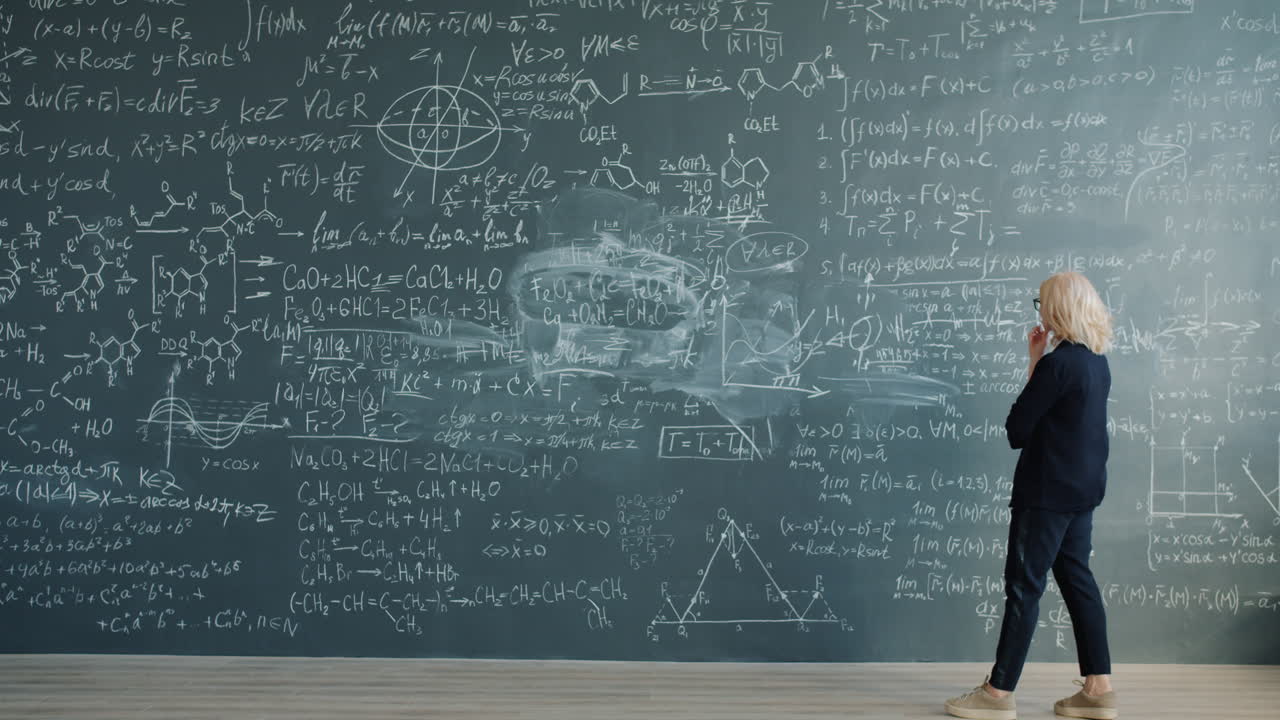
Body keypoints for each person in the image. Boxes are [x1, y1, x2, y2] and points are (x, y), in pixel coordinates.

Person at [945, 271, 1118, 720]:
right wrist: (1039, 361)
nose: (1039, 311)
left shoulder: (1057, 366)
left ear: (1056, 308)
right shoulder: (1096, 361)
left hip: (1045, 494)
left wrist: (1036, 363)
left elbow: (1017, 430)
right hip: (1082, 492)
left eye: (1041, 303)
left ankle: (997, 693)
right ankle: (1098, 689)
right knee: (1078, 581)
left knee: (1024, 588)